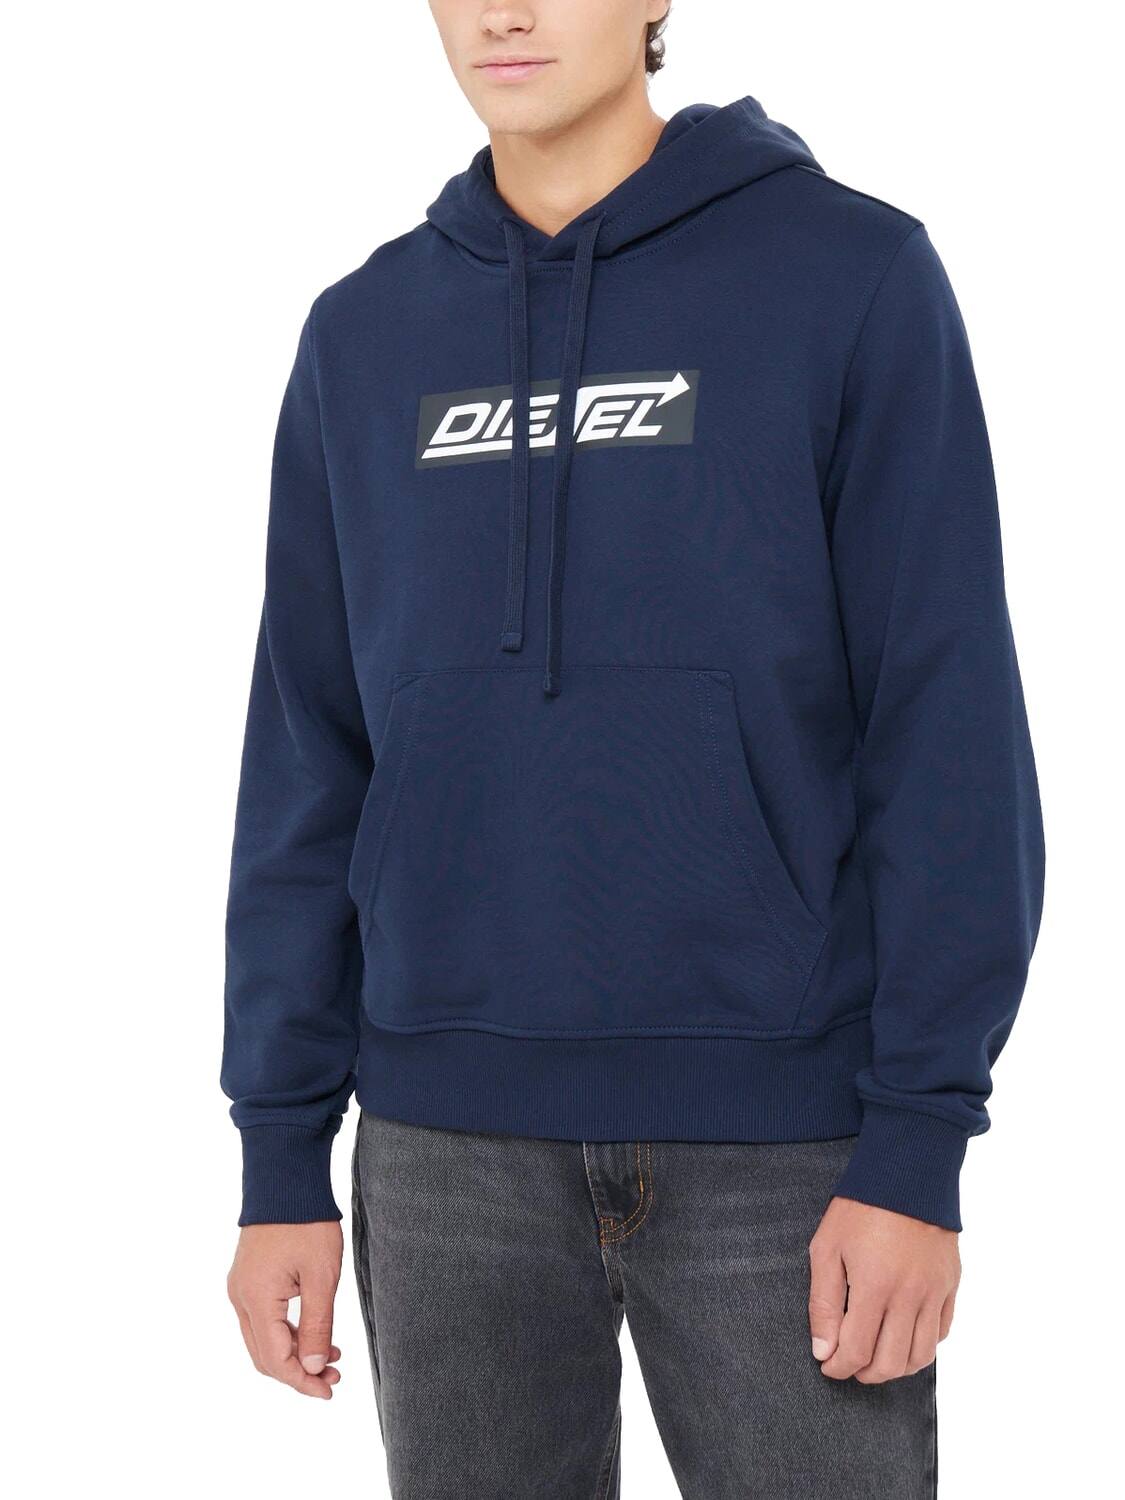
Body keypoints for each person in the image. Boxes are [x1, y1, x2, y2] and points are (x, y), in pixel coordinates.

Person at [221, 2, 1045, 1494]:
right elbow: (307, 753)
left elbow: (946, 726)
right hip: (442, 1147)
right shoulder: (363, 331)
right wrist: (280, 1153)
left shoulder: (851, 277)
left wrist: (920, 1141)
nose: (503, 10)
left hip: (785, 1144)